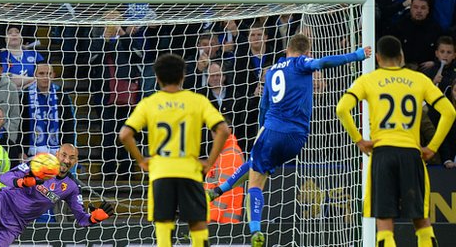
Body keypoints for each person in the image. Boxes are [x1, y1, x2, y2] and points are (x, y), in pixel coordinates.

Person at [207, 33, 371, 247]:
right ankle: (218, 191)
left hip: (273, 129)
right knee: (258, 164)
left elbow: (263, 106)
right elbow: (323, 62)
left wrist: (261, 130)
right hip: (298, 138)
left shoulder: (275, 69)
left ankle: (255, 231)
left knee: (256, 180)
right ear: (307, 51)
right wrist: (357, 55)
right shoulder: (303, 63)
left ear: (287, 50)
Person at [336, 36, 456, 247]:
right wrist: (432, 147)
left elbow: (342, 109)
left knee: (384, 224)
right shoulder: (419, 79)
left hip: (382, 154)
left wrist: (359, 140)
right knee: (422, 222)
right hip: (412, 154)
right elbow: (449, 112)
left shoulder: (368, 79)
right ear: (401, 56)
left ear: (378, 58)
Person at [119, 53, 231, 247]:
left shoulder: (149, 103)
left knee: (163, 224)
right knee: (197, 223)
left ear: (157, 78)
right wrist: (210, 161)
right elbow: (223, 130)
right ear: (183, 77)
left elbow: (124, 135)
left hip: (161, 172)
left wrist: (141, 160)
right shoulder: (197, 100)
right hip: (190, 170)